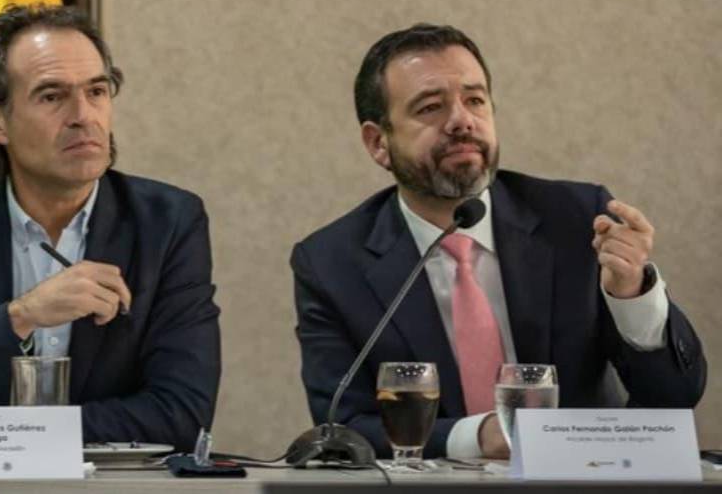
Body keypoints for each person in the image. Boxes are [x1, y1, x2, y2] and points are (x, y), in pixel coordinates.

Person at [291, 24, 705, 460]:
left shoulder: (578, 220)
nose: (461, 121)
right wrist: (482, 436)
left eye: (475, 100)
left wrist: (633, 296)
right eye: (431, 107)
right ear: (379, 143)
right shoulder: (332, 263)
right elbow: (344, 426)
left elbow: (674, 396)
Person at [0, 4, 221, 450]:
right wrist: (20, 317)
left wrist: (14, 437)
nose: (83, 115)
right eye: (52, 96)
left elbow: (181, 414)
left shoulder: (167, 224)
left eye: (97, 92)